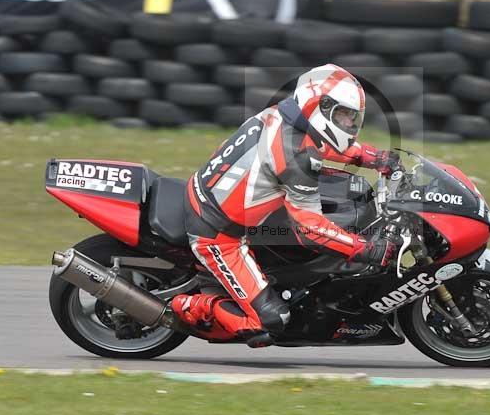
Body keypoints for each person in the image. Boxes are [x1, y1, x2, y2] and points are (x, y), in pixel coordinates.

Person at [171, 64, 402, 346]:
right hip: (219, 233)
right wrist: (363, 249)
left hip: (222, 198)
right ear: (320, 108)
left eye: (353, 117)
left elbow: (323, 144)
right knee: (269, 323)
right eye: (344, 116)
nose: (350, 125)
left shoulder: (289, 116)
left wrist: (372, 157)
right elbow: (310, 228)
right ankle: (187, 306)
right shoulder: (295, 157)